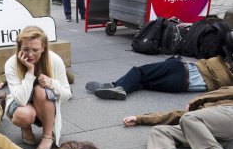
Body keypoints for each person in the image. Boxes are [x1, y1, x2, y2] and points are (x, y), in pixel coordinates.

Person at [123, 86, 233, 149]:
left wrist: (195, 101)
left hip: (228, 113)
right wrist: (140, 119)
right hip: (211, 132)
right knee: (159, 130)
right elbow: (176, 115)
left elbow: (224, 92)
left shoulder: (224, 96)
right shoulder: (200, 112)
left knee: (189, 117)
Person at [4, 26, 72, 149]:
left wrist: (52, 84)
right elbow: (21, 100)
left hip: (45, 105)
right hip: (20, 104)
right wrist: (30, 71)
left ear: (43, 47)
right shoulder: (11, 63)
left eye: (35, 50)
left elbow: (67, 95)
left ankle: (47, 136)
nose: (30, 54)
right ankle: (25, 128)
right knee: (25, 115)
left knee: (41, 90)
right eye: (25, 49)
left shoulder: (55, 60)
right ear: (19, 47)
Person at [85, 56, 233, 100]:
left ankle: (117, 86)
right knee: (143, 82)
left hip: (180, 68)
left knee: (140, 71)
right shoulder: (229, 82)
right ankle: (117, 87)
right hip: (181, 87)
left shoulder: (222, 63)